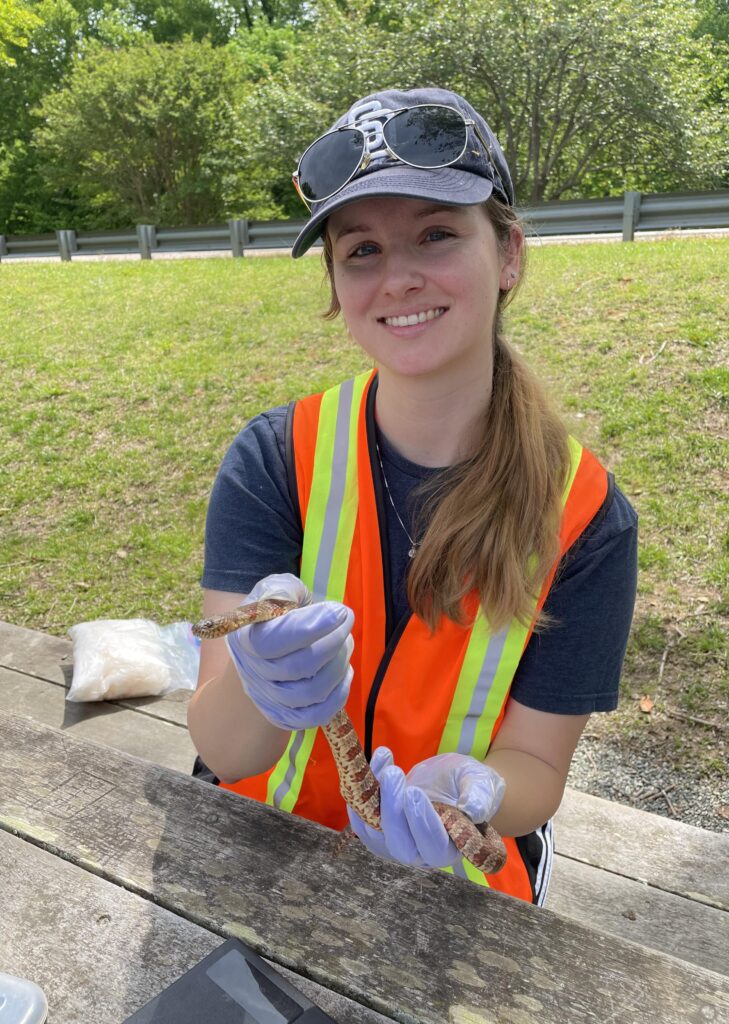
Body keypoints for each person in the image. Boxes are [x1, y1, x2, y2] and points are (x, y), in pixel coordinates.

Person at [187, 87, 637, 905]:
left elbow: (538, 767)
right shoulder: (273, 459)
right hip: (262, 860)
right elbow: (223, 750)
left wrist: (469, 797)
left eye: (435, 234)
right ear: (335, 282)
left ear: (508, 256)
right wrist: (261, 687)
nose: (398, 278)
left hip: (453, 892)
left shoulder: (588, 515)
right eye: (361, 250)